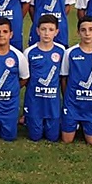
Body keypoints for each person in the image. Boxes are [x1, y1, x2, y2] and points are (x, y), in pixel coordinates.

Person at [61, 16, 92, 145]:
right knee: (67, 140)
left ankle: (86, 124)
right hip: (73, 104)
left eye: (91, 29)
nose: (87, 33)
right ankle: (72, 122)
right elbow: (64, 78)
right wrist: (67, 99)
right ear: (78, 32)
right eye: (83, 30)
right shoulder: (70, 53)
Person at [22, 14, 65, 142]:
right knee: (35, 136)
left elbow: (63, 76)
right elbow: (25, 78)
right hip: (35, 101)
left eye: (51, 30)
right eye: (43, 29)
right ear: (37, 31)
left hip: (52, 102)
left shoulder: (62, 51)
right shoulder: (29, 52)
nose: (46, 33)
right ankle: (29, 117)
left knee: (53, 137)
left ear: (56, 32)